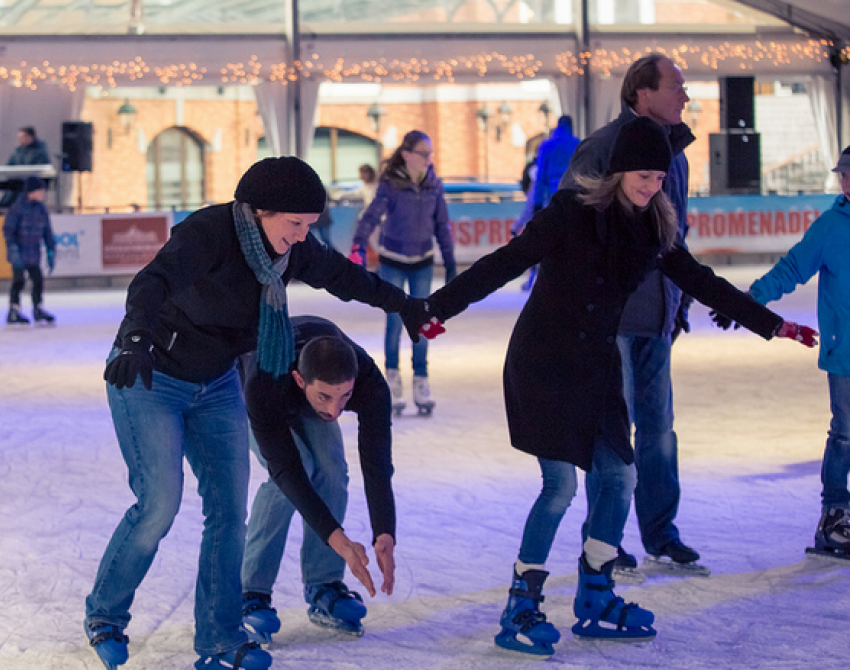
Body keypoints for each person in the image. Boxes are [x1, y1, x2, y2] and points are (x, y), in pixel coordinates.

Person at [406, 116, 816, 654]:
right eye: (642, 176)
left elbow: (700, 279)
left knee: (619, 477)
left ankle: (595, 593)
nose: (651, 187)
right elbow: (506, 262)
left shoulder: (653, 227)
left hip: (596, 369)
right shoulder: (570, 214)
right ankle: (521, 605)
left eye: (658, 178)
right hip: (545, 363)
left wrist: (772, 322)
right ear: (618, 171)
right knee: (559, 488)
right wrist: (439, 307)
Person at [84, 156, 431, 670]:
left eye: (308, 226)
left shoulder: (288, 253)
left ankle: (221, 640)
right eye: (294, 224)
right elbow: (151, 281)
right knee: (159, 503)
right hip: (149, 375)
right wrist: (134, 337)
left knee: (228, 511)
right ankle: (105, 615)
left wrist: (402, 303)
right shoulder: (210, 233)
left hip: (218, 381)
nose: (300, 236)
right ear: (259, 211)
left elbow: (342, 275)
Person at [561, 53, 700, 576]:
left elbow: (676, 234)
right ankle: (604, 539)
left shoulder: (676, 155)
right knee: (612, 436)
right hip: (609, 321)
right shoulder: (600, 149)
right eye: (676, 87)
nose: (684, 96)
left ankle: (662, 533)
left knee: (660, 431)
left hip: (657, 316)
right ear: (642, 94)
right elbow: (568, 229)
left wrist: (679, 302)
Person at [714, 145, 850, 558]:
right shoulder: (830, 227)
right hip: (845, 353)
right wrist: (751, 301)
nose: (846, 182)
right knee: (845, 436)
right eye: (844, 176)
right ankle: (835, 518)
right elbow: (791, 269)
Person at [240, 315, 396, 644]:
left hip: (305, 380)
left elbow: (377, 461)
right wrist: (340, 541)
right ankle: (250, 592)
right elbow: (287, 470)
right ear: (300, 380)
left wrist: (385, 531)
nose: (336, 411)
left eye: (345, 397)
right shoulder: (264, 379)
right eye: (326, 397)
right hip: (245, 387)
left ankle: (324, 584)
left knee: (333, 470)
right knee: (290, 481)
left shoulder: (368, 383)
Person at [348, 130, 456, 415]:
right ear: (407, 155)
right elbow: (371, 215)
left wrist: (450, 262)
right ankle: (393, 380)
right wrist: (358, 244)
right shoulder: (390, 185)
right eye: (423, 153)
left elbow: (442, 224)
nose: (428, 159)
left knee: (422, 321)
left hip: (422, 260)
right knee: (394, 321)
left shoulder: (434, 185)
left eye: (430, 154)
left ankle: (421, 381)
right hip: (393, 259)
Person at [4, 176, 55, 327]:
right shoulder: (17, 208)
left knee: (38, 280)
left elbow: (47, 231)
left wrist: (51, 249)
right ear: (31, 192)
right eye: (40, 191)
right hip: (18, 252)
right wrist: (13, 249)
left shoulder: (41, 209)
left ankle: (38, 309)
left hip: (33, 253)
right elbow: (8, 230)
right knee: (18, 281)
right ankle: (13, 310)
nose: (42, 194)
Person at [1, 127, 51, 207]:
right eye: (20, 137)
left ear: (31, 137)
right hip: (16, 182)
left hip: (30, 184)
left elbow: (41, 170)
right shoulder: (18, 151)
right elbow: (10, 166)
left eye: (23, 137)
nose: (21, 140)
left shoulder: (40, 152)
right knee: (9, 192)